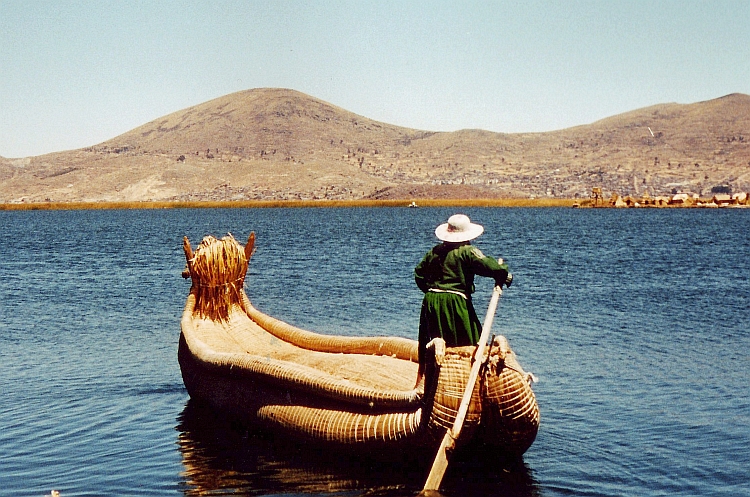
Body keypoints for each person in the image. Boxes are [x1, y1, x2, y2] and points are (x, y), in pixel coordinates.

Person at [414, 214, 512, 387]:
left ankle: (429, 380)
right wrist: (504, 273)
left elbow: (419, 274)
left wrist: (432, 293)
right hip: (455, 301)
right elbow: (489, 266)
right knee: (470, 338)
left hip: (430, 300)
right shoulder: (468, 251)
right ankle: (465, 382)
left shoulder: (435, 251)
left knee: (434, 339)